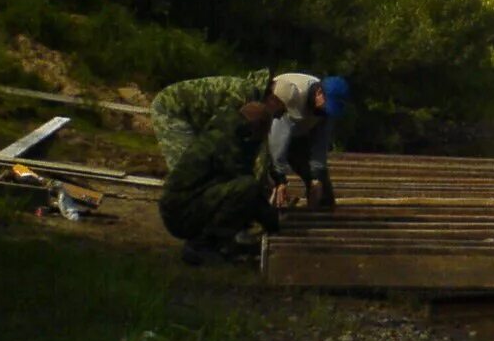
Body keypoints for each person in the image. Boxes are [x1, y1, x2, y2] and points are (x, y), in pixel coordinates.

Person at [159, 99, 280, 266]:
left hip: (184, 204)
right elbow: (248, 190)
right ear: (255, 128)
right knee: (246, 188)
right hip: (181, 211)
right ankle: (203, 246)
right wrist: (273, 221)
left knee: (245, 189)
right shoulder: (227, 143)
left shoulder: (227, 132)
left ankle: (221, 243)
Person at [148, 69, 271, 170]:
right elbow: (221, 136)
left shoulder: (254, 96)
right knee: (189, 171)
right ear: (275, 99)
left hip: (192, 117)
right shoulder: (243, 95)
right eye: (282, 111)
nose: (280, 116)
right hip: (171, 110)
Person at [266, 73, 349, 210]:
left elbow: (320, 146)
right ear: (319, 93)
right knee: (274, 169)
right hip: (273, 131)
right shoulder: (292, 95)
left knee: (322, 190)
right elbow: (277, 142)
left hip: (301, 132)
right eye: (326, 107)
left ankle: (320, 201)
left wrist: (316, 179)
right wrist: (280, 178)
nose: (326, 113)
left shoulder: (327, 113)